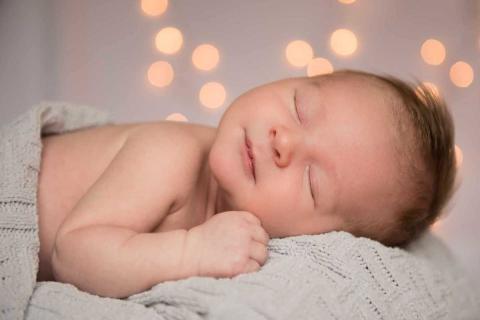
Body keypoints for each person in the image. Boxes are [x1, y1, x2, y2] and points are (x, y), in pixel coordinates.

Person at [36, 69, 457, 299]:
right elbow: (73, 253)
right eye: (300, 106)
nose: (284, 141)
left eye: (312, 182)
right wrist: (190, 251)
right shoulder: (171, 153)